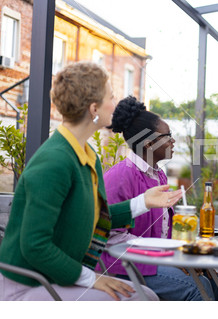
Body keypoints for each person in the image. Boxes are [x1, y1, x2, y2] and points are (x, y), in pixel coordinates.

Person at [0, 62, 183, 301]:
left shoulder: (86, 155)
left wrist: (143, 202)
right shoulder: (54, 161)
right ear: (94, 108)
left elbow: (95, 217)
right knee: (139, 300)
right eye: (111, 96)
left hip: (57, 278)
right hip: (28, 285)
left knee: (145, 296)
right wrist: (92, 278)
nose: (115, 103)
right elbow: (34, 246)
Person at [97, 96, 218, 301]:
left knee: (214, 278)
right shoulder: (120, 177)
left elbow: (163, 229)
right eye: (168, 136)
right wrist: (166, 256)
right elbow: (111, 237)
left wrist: (182, 253)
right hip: (124, 265)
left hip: (154, 258)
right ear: (149, 143)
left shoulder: (158, 175)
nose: (173, 141)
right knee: (197, 288)